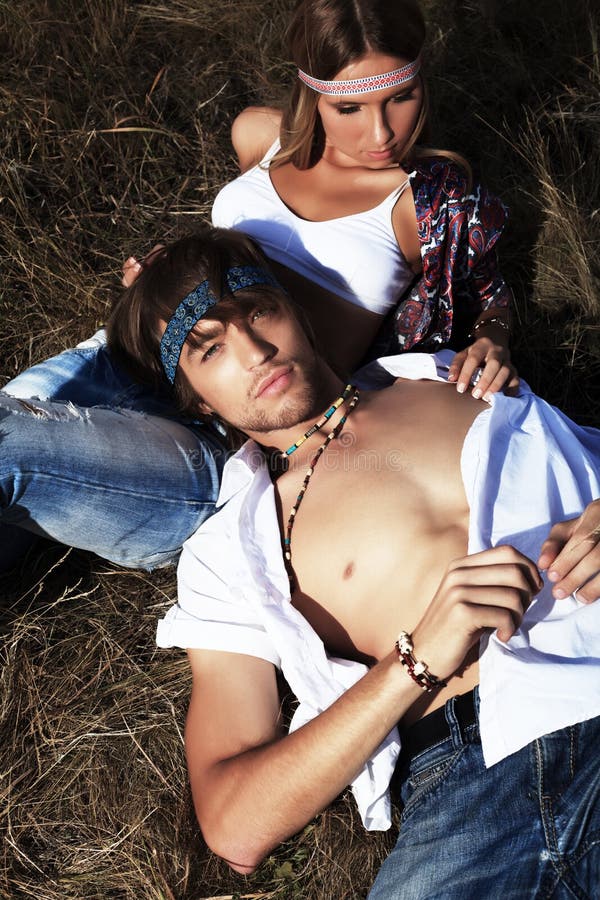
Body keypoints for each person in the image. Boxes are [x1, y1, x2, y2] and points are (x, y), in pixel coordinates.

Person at [108, 228, 600, 897]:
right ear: (194, 396)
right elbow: (234, 824)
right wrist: (415, 659)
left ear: (297, 313)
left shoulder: (458, 375)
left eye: (258, 313)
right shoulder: (230, 553)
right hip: (475, 778)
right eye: (210, 347)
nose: (253, 352)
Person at [1, 0, 518, 569]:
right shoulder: (260, 137)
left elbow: (486, 293)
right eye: (349, 107)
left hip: (227, 436)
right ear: (311, 93)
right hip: (120, 358)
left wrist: (492, 337)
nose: (380, 132)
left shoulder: (425, 203)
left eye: (400, 97)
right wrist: (165, 278)